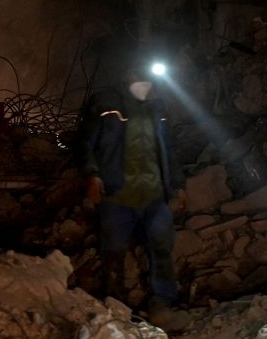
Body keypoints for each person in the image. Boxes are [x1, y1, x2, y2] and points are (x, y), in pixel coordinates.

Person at [76, 59, 189, 331]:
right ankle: (115, 308)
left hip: (154, 194)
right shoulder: (105, 103)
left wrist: (177, 184)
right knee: (114, 251)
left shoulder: (158, 107)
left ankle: (162, 304)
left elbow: (167, 150)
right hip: (118, 194)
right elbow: (84, 142)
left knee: (161, 247)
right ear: (129, 73)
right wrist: (93, 174)